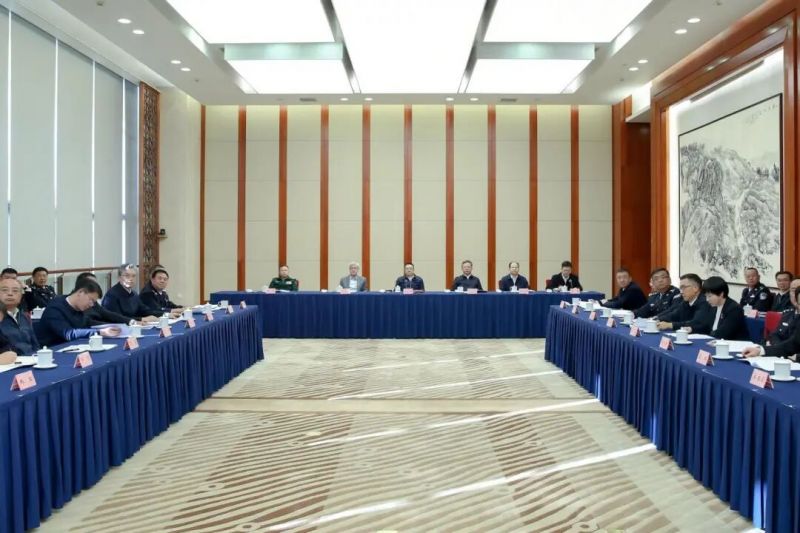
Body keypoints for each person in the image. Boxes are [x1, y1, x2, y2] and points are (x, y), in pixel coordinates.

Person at [38, 278, 121, 346]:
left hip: (74, 346)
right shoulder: (55, 308)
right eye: (91, 300)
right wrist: (100, 332)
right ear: (81, 292)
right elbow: (69, 333)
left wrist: (109, 327)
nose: (92, 305)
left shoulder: (80, 307)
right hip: (52, 350)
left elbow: (88, 323)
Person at [692, 276, 749, 340]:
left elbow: (723, 333)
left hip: (732, 343)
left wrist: (707, 337)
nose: (707, 299)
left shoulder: (734, 309)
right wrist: (692, 329)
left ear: (721, 294)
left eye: (710, 296)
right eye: (706, 296)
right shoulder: (713, 306)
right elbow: (706, 326)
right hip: (715, 341)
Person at [0, 278, 39, 354]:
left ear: (21, 296)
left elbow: (35, 344)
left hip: (31, 358)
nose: (10, 294)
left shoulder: (24, 316)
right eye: (5, 290)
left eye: (15, 291)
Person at [766, 280, 800, 345]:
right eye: (793, 290)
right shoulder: (788, 314)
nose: (796, 294)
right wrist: (777, 346)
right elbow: (775, 334)